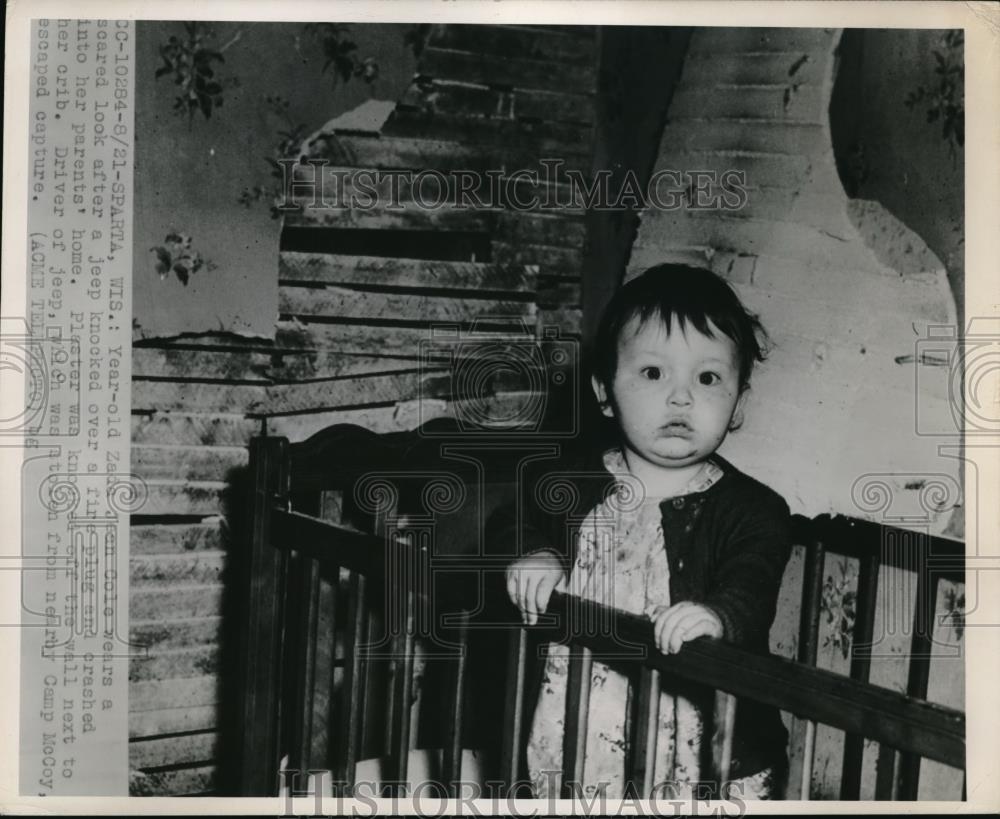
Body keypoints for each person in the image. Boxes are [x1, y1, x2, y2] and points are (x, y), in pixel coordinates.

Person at [502, 264, 793, 799]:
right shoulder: (562, 481)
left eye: (707, 378)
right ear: (604, 392)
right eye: (654, 373)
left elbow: (752, 581)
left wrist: (718, 616)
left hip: (697, 742)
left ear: (739, 403)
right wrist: (536, 552)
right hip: (576, 725)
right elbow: (513, 522)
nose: (681, 398)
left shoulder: (756, 511)